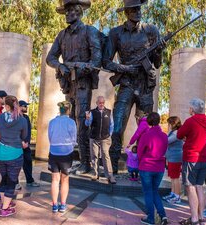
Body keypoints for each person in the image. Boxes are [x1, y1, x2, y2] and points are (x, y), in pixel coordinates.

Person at [104, 0, 164, 174]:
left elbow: (158, 63)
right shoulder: (116, 33)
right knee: (117, 127)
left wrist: (159, 51)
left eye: (139, 8)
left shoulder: (151, 30)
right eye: (133, 9)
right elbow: (106, 61)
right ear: (126, 12)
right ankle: (112, 166)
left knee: (147, 130)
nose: (137, 11)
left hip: (145, 86)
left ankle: (143, 168)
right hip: (126, 84)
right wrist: (124, 68)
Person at [46, 0, 102, 175]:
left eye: (71, 10)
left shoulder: (89, 31)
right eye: (66, 11)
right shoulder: (61, 35)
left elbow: (97, 58)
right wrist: (60, 66)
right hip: (68, 83)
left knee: (81, 121)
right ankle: (71, 161)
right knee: (70, 121)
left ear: (79, 12)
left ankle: (86, 163)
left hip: (83, 82)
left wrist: (83, 66)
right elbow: (50, 58)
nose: (68, 14)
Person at [177, 98, 206, 225]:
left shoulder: (190, 121)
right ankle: (201, 217)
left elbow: (180, 134)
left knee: (190, 188)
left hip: (191, 158)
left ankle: (194, 219)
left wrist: (188, 138)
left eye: (190, 108)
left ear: (192, 109)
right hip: (204, 158)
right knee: (199, 187)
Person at [0, 95, 28, 217]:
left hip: (0, 154)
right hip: (15, 154)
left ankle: (5, 202)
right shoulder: (22, 120)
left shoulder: (0, 117)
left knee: (4, 179)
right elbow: (24, 136)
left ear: (7, 106)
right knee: (11, 181)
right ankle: (5, 209)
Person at [137, 112, 170, 225]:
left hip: (146, 166)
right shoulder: (164, 136)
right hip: (159, 167)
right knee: (154, 191)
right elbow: (164, 150)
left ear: (148, 122)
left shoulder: (146, 135)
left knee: (148, 192)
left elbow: (140, 152)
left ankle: (151, 218)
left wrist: (140, 162)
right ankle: (163, 216)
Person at [48, 101, 77, 213]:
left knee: (54, 180)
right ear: (68, 110)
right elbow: (74, 139)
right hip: (66, 153)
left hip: (54, 151)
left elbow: (50, 137)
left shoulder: (52, 122)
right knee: (65, 180)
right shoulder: (71, 122)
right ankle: (63, 205)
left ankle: (55, 205)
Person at [85, 96, 116, 183]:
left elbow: (112, 125)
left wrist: (109, 135)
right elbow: (87, 124)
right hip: (94, 137)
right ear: (97, 103)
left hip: (105, 138)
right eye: (100, 103)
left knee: (106, 156)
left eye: (103, 102)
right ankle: (95, 173)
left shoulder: (109, 112)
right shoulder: (92, 112)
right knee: (94, 156)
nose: (101, 104)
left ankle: (110, 176)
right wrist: (87, 119)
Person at [17, 100, 40, 188]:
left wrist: (26, 142)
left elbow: (28, 131)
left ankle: (30, 181)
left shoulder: (26, 117)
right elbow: (16, 131)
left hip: (26, 145)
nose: (26, 108)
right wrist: (21, 142)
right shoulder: (16, 117)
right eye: (24, 106)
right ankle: (15, 182)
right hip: (17, 145)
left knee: (28, 162)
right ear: (19, 107)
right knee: (17, 164)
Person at [162, 116, 183, 204]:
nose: (168, 125)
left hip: (175, 157)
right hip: (172, 157)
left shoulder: (176, 133)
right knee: (173, 177)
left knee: (176, 177)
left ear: (173, 123)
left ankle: (177, 196)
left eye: (169, 123)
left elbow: (166, 141)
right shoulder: (174, 132)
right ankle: (173, 193)